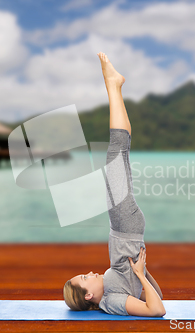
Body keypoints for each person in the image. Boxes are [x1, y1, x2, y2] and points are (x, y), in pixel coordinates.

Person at [63, 52, 165, 317]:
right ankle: (113, 85)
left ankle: (114, 86)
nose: (90, 272)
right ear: (89, 295)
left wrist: (143, 274)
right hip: (123, 227)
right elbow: (157, 309)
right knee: (115, 155)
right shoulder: (112, 301)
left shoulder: (110, 291)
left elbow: (156, 297)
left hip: (124, 228)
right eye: (85, 277)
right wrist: (141, 276)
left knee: (119, 154)